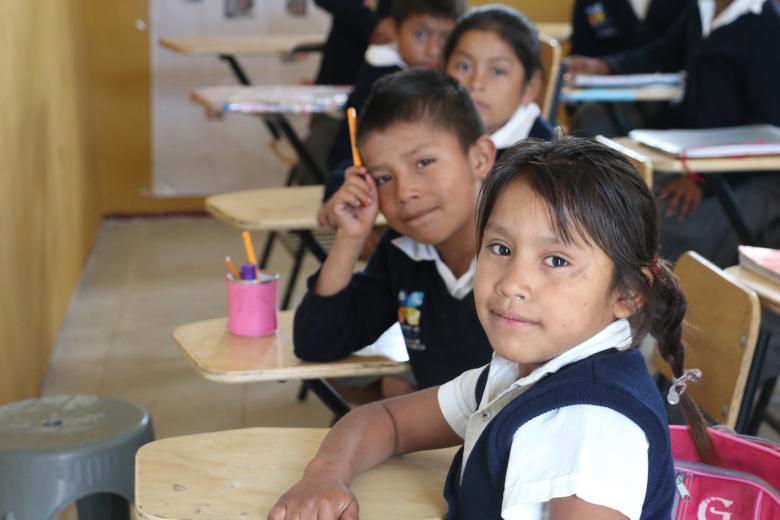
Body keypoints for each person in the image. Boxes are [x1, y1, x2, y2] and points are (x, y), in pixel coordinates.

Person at [271, 138, 717, 520]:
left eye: (556, 260)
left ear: (629, 293)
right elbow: (385, 419)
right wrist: (325, 475)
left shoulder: (588, 427)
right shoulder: (524, 371)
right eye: (500, 248)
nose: (512, 283)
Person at [294, 69, 496, 396]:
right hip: (451, 434)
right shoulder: (403, 250)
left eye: (423, 162)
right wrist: (350, 238)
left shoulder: (526, 250)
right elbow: (318, 342)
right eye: (384, 178)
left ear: (480, 158)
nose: (404, 192)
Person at [569, 0, 780, 267]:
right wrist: (605, 66)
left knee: (647, 217)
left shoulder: (767, 24)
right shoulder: (699, 8)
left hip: (740, 172)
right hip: (687, 152)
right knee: (596, 126)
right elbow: (663, 54)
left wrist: (700, 177)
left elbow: (767, 129)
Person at [322, 0, 462, 200]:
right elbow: (345, 151)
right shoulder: (376, 82)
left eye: (445, 39)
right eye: (420, 35)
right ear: (394, 31)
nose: (433, 50)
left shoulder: (453, 82)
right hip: (374, 192)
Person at [443, 4, 554, 159]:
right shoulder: (429, 128)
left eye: (497, 71)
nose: (476, 84)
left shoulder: (542, 160)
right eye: (464, 66)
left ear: (530, 87)